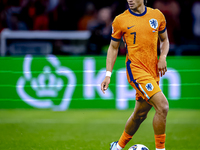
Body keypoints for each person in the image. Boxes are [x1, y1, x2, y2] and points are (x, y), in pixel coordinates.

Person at [101, 0, 169, 150]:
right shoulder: (120, 20)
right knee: (162, 106)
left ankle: (117, 147)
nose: (129, 0)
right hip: (136, 70)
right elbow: (113, 48)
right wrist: (108, 74)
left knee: (139, 115)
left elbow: (164, 40)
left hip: (153, 72)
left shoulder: (157, 15)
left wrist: (162, 57)